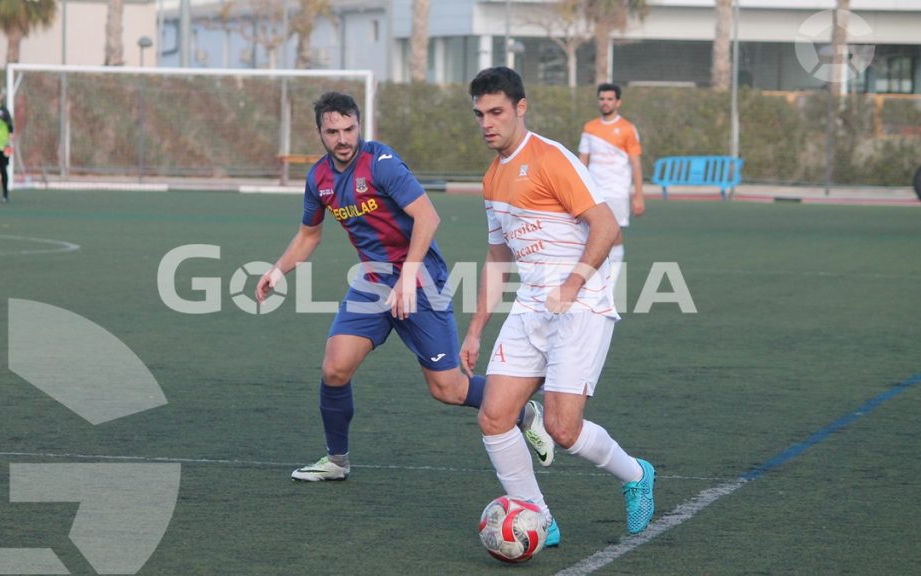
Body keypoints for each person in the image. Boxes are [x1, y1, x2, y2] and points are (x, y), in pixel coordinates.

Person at [255, 92, 553, 482]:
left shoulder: (381, 163)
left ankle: (525, 412)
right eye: (333, 132)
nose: (343, 139)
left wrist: (408, 278)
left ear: (359, 126)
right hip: (374, 281)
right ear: (320, 133)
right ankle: (337, 461)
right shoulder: (319, 179)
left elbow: (428, 218)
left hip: (422, 279)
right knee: (334, 369)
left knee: (447, 389)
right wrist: (278, 271)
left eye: (349, 129)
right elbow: (309, 235)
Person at [460, 67, 655, 546]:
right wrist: (476, 329)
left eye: (497, 112)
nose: (487, 123)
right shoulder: (492, 178)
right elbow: (498, 257)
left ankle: (636, 475)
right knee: (494, 417)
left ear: (520, 108)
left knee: (562, 429)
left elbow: (607, 227)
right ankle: (540, 518)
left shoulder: (550, 158)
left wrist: (571, 285)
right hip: (531, 307)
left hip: (581, 305)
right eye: (480, 114)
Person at [578, 83, 644, 293]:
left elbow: (635, 164)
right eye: (602, 99)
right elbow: (582, 162)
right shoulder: (590, 128)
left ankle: (610, 287)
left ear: (618, 102)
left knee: (614, 235)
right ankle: (592, 283)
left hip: (617, 192)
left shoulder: (627, 129)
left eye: (609, 99)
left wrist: (638, 196)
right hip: (593, 192)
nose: (605, 103)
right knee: (590, 236)